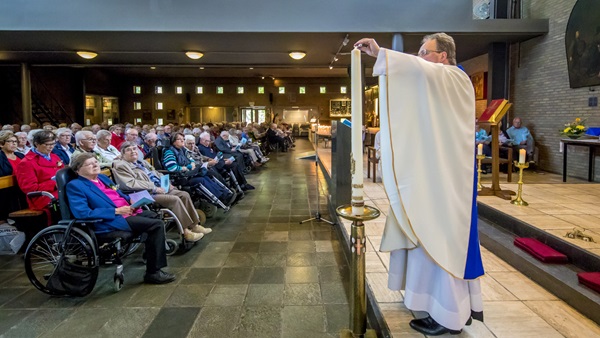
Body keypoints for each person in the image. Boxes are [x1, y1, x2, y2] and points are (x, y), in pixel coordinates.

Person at [355, 34, 484, 335]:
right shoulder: (438, 83)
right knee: (426, 237)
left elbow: (418, 72)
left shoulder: (453, 77)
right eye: (419, 52)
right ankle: (441, 307)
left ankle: (450, 317)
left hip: (448, 181)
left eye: (426, 52)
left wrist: (380, 53)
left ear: (443, 56)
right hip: (433, 175)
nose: (420, 57)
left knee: (444, 241)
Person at [66, 152, 175, 284]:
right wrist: (116, 211)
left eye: (95, 161)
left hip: (127, 211)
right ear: (78, 170)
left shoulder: (102, 178)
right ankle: (153, 272)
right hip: (110, 220)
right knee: (156, 225)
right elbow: (82, 213)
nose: (95, 165)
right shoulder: (76, 186)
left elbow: (120, 194)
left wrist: (132, 201)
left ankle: (151, 254)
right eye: (89, 164)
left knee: (154, 215)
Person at [112, 142, 211, 242]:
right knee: (174, 199)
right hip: (144, 194)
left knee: (184, 194)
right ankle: (186, 232)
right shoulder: (121, 166)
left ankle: (194, 226)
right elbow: (130, 183)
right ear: (122, 153)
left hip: (159, 188)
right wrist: (154, 188)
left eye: (134, 149)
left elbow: (156, 173)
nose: (133, 151)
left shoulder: (141, 162)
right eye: (129, 150)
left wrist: (167, 183)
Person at [16, 130, 65, 224]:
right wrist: (55, 184)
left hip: (58, 191)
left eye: (53, 144)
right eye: (47, 144)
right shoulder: (26, 163)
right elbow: (30, 188)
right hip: (42, 197)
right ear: (36, 144)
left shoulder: (54, 157)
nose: (51, 147)